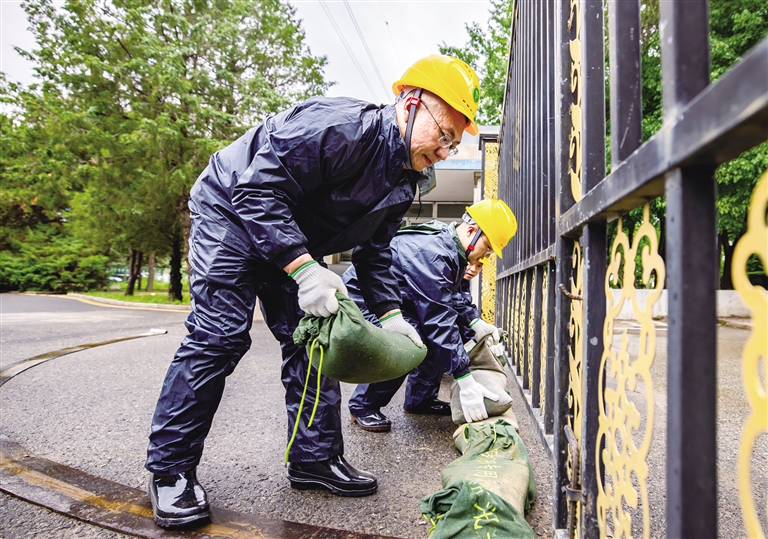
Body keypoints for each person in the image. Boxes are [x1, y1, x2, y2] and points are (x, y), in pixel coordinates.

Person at [144, 54, 482, 528]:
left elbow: (375, 252)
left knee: (314, 342)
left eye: (454, 143)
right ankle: (170, 471)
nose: (446, 151)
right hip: (232, 212)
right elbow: (257, 191)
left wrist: (390, 316)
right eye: (444, 135)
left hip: (289, 236)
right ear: (409, 104)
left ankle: (313, 458)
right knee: (219, 337)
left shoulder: (405, 179)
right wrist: (304, 270)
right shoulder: (343, 127)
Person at [344, 199, 516, 433]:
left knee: (433, 338)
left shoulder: (451, 250)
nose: (484, 256)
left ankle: (420, 400)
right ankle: (363, 406)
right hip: (364, 300)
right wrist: (464, 379)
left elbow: (450, 297)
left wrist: (474, 322)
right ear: (471, 231)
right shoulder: (433, 254)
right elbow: (440, 320)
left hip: (395, 300)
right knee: (407, 342)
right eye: (487, 247)